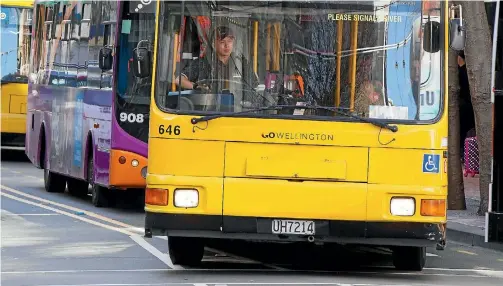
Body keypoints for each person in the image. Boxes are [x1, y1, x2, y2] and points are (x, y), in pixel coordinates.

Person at [174, 25, 258, 92]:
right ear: (214, 44)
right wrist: (196, 86)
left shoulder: (241, 62)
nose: (227, 45)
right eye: (222, 42)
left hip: (237, 108)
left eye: (229, 41)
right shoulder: (203, 63)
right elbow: (178, 80)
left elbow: (254, 84)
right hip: (210, 108)